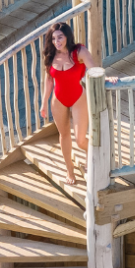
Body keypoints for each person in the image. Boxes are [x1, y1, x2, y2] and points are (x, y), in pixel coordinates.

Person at [39, 22, 98, 185]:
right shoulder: (50, 56)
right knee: (64, 135)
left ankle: (90, 153)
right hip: (58, 100)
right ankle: (69, 170)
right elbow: (49, 80)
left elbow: (93, 69)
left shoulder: (79, 51)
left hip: (78, 97)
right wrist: (44, 103)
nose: (57, 41)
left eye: (60, 37)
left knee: (80, 140)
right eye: (54, 38)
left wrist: (106, 78)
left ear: (67, 36)